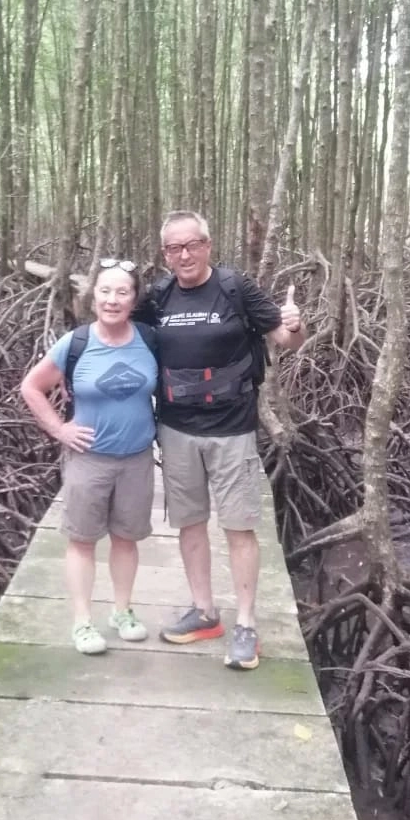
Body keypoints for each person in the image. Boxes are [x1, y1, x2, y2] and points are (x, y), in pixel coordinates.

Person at [139, 211, 304, 670]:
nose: (184, 255)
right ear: (166, 254)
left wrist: (293, 323)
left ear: (208, 245)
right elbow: (118, 331)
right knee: (189, 523)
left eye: (192, 244)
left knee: (239, 527)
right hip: (175, 429)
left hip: (232, 429)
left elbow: (287, 341)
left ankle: (246, 624)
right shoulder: (159, 296)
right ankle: (205, 612)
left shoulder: (236, 288)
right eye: (174, 248)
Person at [20, 260, 158, 655]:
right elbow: (31, 387)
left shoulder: (149, 340)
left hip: (136, 458)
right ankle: (82, 622)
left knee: (126, 539)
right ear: (93, 296)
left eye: (122, 292)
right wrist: (59, 429)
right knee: (82, 541)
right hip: (89, 459)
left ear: (134, 299)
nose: (112, 300)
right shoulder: (75, 344)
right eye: (105, 291)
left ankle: (123, 611)